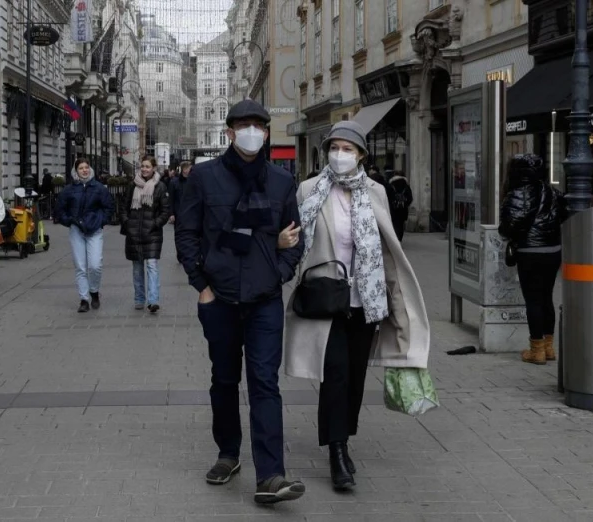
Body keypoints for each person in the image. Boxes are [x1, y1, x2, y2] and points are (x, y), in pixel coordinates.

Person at [283, 120, 431, 492]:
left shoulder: (376, 192)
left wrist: (398, 308)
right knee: (334, 375)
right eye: (334, 148)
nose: (340, 154)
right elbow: (295, 239)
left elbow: (388, 251)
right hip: (327, 298)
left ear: (361, 155)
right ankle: (335, 453)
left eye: (348, 149)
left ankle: (344, 438)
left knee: (355, 378)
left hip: (366, 299)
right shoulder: (309, 190)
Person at [175, 99, 306, 504]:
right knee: (225, 380)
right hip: (221, 297)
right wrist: (202, 285)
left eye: (258, 125)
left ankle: (271, 476)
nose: (252, 131)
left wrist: (282, 272)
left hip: (265, 299)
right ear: (229, 132)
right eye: (243, 125)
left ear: (266, 132)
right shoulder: (203, 177)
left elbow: (294, 239)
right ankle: (228, 453)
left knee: (265, 382)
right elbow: (186, 234)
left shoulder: (281, 183)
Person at [499, 154, 568, 364]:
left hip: (530, 252)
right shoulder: (553, 192)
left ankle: (536, 349)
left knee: (533, 300)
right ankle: (549, 348)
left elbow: (509, 225)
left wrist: (509, 233)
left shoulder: (516, 193)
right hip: (553, 251)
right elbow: (563, 217)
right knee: (547, 298)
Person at [56, 158, 115, 313]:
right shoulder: (69, 190)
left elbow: (109, 206)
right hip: (76, 230)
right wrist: (69, 221)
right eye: (81, 168)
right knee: (80, 266)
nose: (84, 170)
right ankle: (84, 299)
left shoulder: (99, 188)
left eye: (86, 167)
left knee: (95, 264)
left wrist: (101, 220)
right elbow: (59, 210)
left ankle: (94, 291)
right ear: (76, 171)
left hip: (94, 229)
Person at [119, 156, 171, 313]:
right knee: (137, 268)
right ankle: (139, 298)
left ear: (154, 168)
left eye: (148, 166)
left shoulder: (160, 187)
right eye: (142, 166)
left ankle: (153, 300)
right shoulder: (132, 185)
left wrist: (156, 224)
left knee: (152, 266)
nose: (144, 169)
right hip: (134, 233)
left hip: (152, 234)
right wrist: (127, 223)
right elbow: (123, 207)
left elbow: (165, 210)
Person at [386, 169, 413, 241]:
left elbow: (387, 196)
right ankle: (399, 238)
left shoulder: (391, 184)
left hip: (393, 208)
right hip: (403, 208)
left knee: (394, 223)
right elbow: (410, 198)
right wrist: (405, 204)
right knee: (401, 224)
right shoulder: (406, 185)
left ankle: (395, 238)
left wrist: (390, 204)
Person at [169, 161, 192, 226]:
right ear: (184, 169)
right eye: (190, 169)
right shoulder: (174, 182)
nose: (192, 170)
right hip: (178, 214)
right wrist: (171, 213)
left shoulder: (193, 181)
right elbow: (171, 199)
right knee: (179, 233)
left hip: (190, 214)